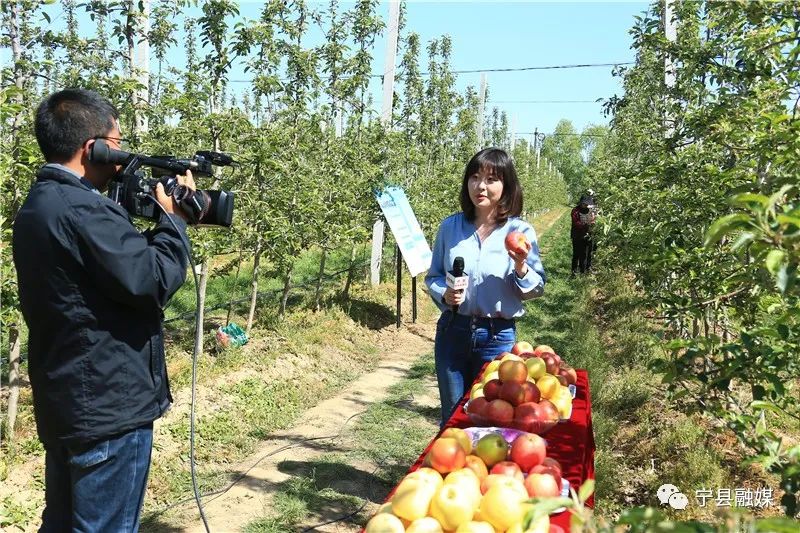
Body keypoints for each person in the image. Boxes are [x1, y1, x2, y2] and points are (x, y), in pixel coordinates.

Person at [12, 89, 194, 532]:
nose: (121, 150)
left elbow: (110, 274)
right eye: (117, 139)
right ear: (92, 146)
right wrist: (175, 223)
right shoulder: (83, 210)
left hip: (68, 397)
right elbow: (151, 280)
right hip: (108, 406)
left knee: (63, 522)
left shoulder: (40, 205)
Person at [425, 148, 546, 426]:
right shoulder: (450, 227)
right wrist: (443, 292)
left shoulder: (521, 232)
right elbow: (433, 276)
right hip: (452, 332)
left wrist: (520, 267)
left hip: (497, 337)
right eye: (475, 177)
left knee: (492, 421)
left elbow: (536, 288)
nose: (480, 186)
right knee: (453, 419)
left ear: (506, 187)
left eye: (491, 179)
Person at [571, 194, 596, 275]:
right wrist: (587, 225)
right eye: (584, 204)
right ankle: (574, 271)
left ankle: (584, 270)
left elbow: (593, 220)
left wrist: (593, 221)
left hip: (588, 235)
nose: (585, 205)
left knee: (587, 253)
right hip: (577, 235)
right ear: (581, 203)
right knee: (576, 254)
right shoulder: (575, 211)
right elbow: (576, 223)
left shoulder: (590, 211)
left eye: (587, 204)